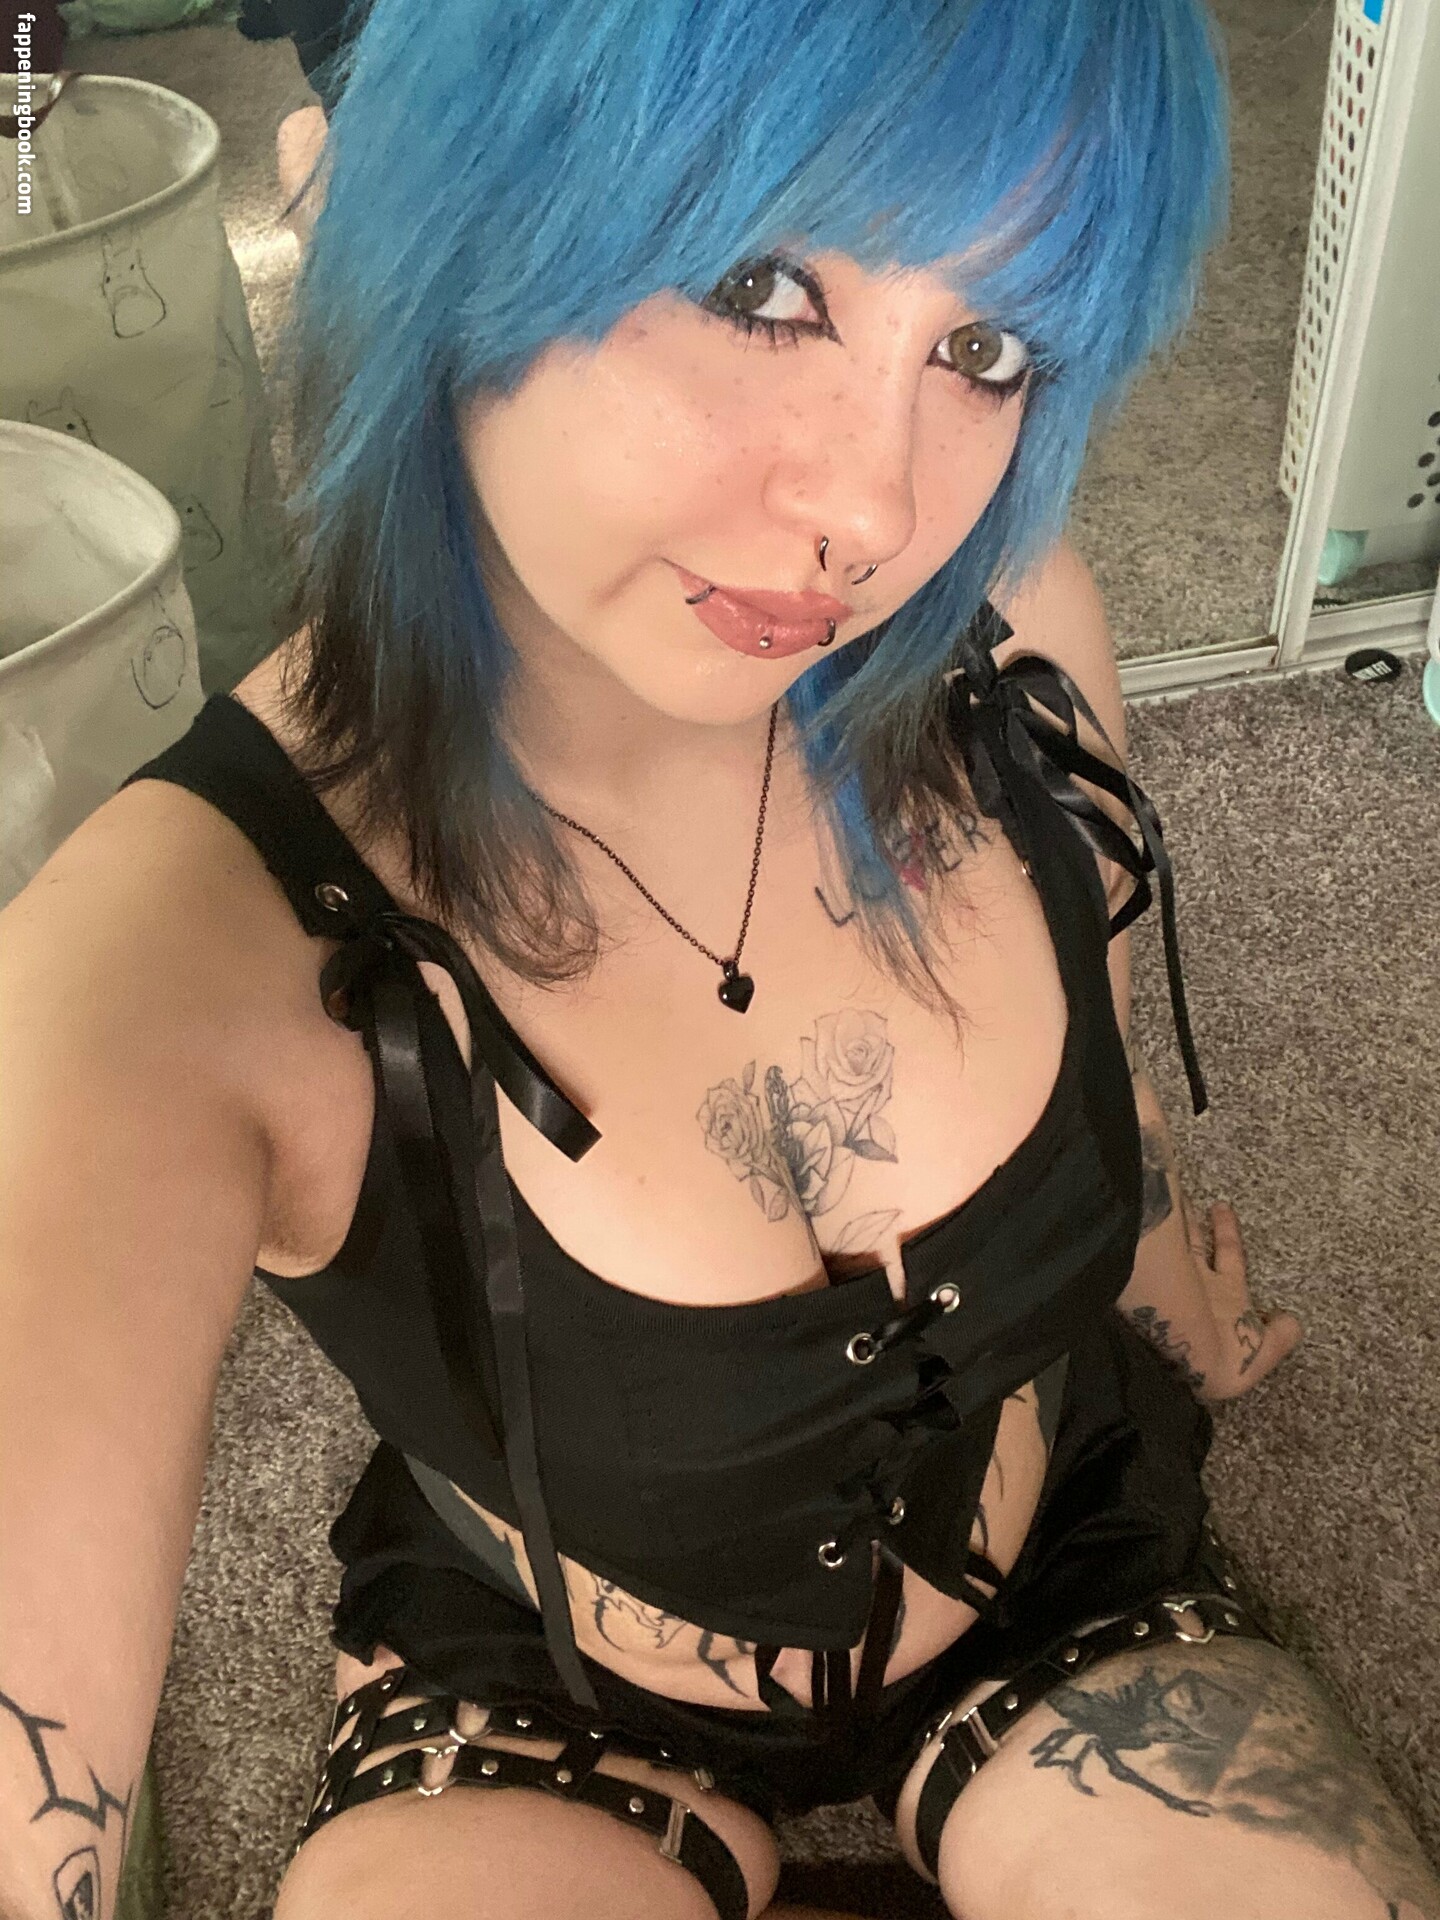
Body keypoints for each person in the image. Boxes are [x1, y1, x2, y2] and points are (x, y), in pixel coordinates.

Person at [2, 2, 1437, 1918]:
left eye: (985, 349)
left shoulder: (1007, 643)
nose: (873, 511)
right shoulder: (166, 960)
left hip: (1063, 1583)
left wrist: (1157, 1256)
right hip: (551, 1693)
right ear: (437, 207)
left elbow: (1099, 1014)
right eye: (761, 285)